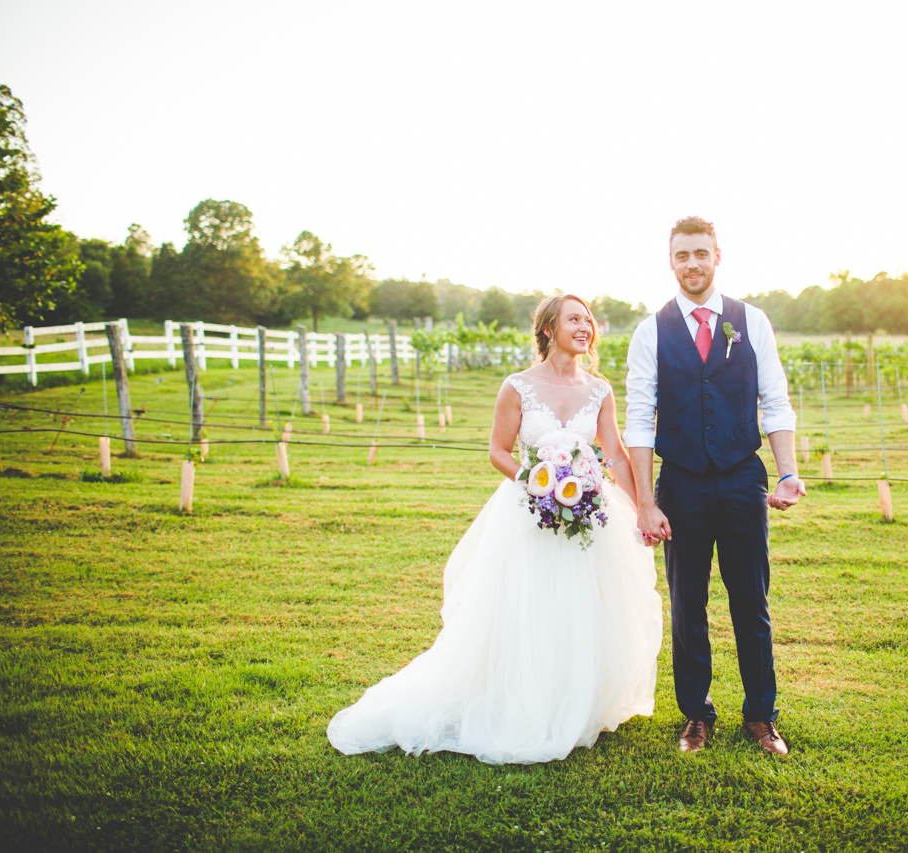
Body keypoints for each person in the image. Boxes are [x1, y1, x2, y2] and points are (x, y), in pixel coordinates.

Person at [327, 294, 661, 764]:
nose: (585, 327)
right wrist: (539, 481)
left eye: (588, 320)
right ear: (548, 329)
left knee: (583, 604)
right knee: (527, 604)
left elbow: (617, 455)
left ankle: (573, 700)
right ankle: (521, 702)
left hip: (589, 511)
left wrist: (641, 507)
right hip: (528, 510)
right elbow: (499, 451)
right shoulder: (518, 387)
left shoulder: (599, 390)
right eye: (574, 319)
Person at [625, 216, 805, 756]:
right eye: (682, 255)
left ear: (717, 256)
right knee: (687, 603)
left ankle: (760, 716)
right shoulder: (650, 330)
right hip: (680, 484)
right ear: (671, 261)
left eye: (701, 253)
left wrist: (788, 471)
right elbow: (638, 419)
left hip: (741, 476)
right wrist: (645, 500)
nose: (692, 264)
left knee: (751, 599)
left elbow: (774, 399)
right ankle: (696, 715)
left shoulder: (752, 321)